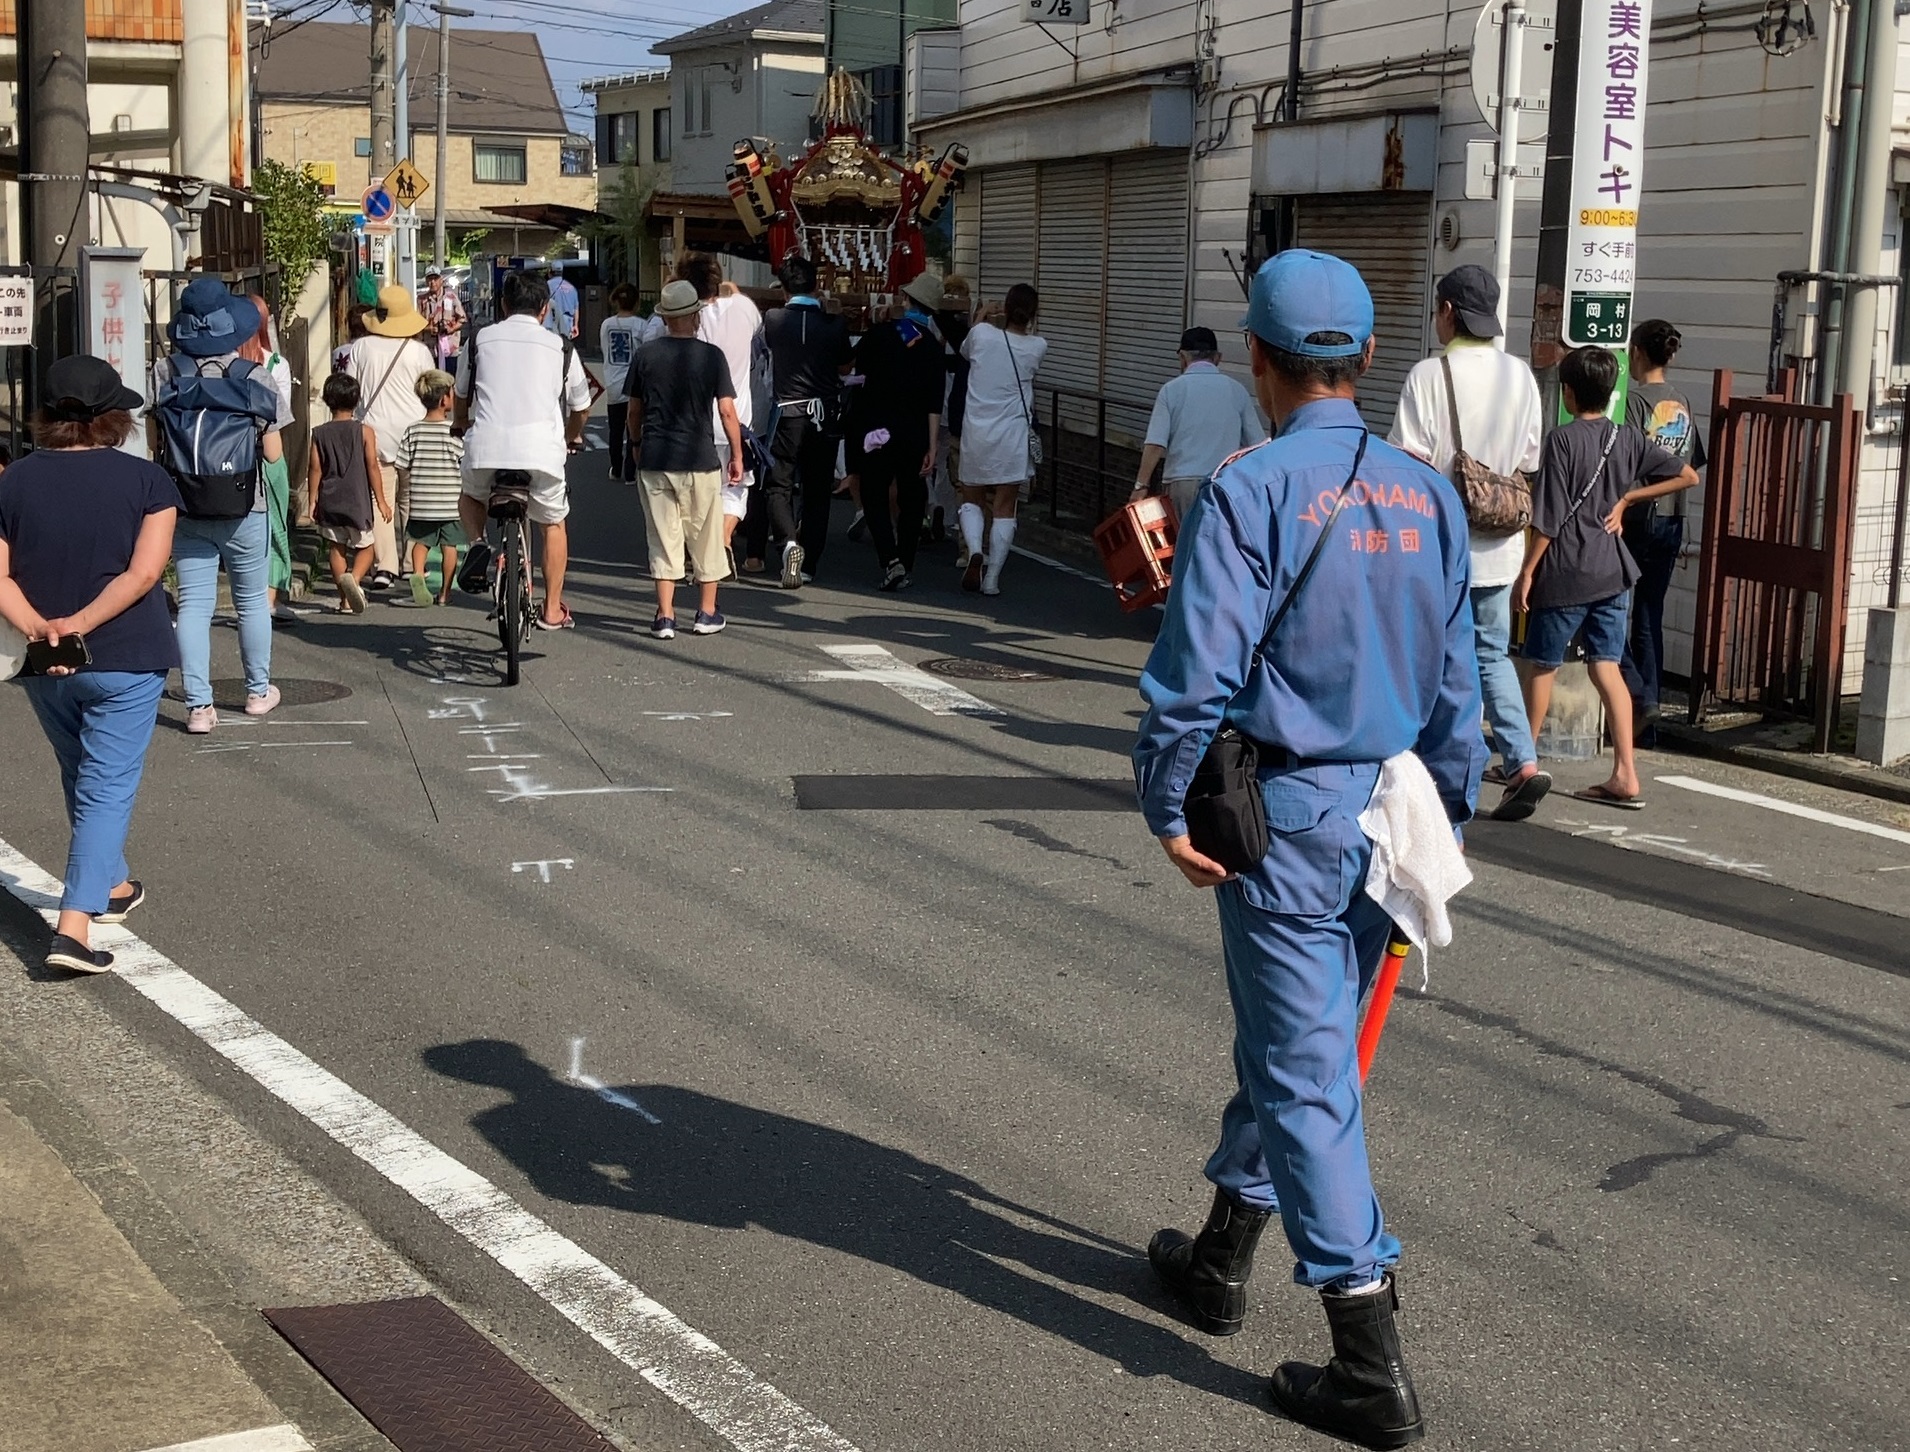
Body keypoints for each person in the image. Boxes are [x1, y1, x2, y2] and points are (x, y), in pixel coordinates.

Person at [1135, 250, 1485, 1452]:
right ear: (1365, 358)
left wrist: (1165, 806)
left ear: (1257, 360)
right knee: (1304, 1046)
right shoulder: (1423, 492)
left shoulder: (1251, 488)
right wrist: (1448, 810)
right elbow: (1456, 684)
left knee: (1303, 1076)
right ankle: (1222, 1254)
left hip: (1282, 819)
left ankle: (1366, 1359)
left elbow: (1195, 680)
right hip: (1390, 817)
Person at [0, 355, 180, 974]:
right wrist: (79, 623)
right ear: (114, 418)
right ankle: (73, 930)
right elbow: (146, 572)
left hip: (41, 660)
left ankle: (112, 885)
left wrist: (41, 629)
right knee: (105, 787)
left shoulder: (12, 481)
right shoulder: (147, 481)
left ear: (45, 415)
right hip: (127, 653)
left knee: (80, 773)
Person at [1389, 264, 1551, 822]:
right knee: (1490, 654)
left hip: (1437, 543)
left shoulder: (1429, 376)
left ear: (1449, 312)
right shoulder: (1522, 376)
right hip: (1502, 543)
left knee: (1427, 656)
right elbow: (1529, 460)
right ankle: (1523, 762)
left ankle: (1434, 766)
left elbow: (1407, 462)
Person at [1515, 345, 1698, 811]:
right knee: (1607, 666)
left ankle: (1522, 764)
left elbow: (1550, 519)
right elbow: (1687, 476)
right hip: (1614, 570)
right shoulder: (1626, 438)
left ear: (1570, 394)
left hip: (1568, 569)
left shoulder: (1561, 440)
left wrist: (1528, 571)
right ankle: (1625, 773)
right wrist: (1628, 500)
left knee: (1541, 664)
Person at [154, 275, 284, 733]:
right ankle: (257, 691)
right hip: (246, 505)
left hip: (185, 503)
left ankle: (198, 708)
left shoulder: (166, 373)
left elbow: (157, 440)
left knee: (193, 605)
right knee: (250, 601)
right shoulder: (255, 378)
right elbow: (273, 453)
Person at [454, 268, 592, 631]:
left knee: (470, 497)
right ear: (544, 309)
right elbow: (581, 406)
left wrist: (460, 424)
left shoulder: (480, 340)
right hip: (542, 453)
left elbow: (461, 395)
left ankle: (478, 543)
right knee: (553, 523)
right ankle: (550, 609)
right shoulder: (561, 347)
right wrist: (570, 437)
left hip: (486, 447)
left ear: (503, 304)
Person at [624, 279, 746, 638]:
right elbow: (726, 411)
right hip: (700, 457)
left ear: (664, 318)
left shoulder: (646, 355)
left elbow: (634, 409)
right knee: (706, 536)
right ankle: (706, 612)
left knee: (662, 536)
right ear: (694, 316)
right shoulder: (711, 356)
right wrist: (737, 455)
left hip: (656, 456)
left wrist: (635, 441)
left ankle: (665, 616)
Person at [1621, 318, 1706, 743]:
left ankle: (1636, 698)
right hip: (1673, 517)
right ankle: (1647, 717)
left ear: (1636, 351)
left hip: (1636, 516)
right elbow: (1694, 459)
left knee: (1613, 610)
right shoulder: (1682, 401)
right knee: (1650, 614)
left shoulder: (1634, 404)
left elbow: (1628, 465)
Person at [755, 256, 852, 587]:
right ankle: (808, 562)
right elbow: (844, 368)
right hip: (825, 414)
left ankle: (787, 544)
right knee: (818, 491)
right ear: (816, 285)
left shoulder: (774, 319)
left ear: (783, 289)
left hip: (788, 412)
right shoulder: (835, 323)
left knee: (779, 484)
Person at [855, 272, 948, 591]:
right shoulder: (934, 348)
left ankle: (890, 559)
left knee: (873, 491)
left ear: (906, 300)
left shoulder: (880, 334)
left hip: (877, 427)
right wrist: (932, 446)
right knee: (913, 495)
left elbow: (859, 371)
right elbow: (935, 401)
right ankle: (905, 562)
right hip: (915, 430)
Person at [956, 282, 1045, 596]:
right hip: (1012, 435)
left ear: (1004, 308)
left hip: (977, 432)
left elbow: (965, 350)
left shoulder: (982, 335)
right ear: (1033, 315)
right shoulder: (1038, 346)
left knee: (972, 498)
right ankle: (992, 577)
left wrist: (982, 313)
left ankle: (974, 549)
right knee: (1005, 507)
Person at [346, 284, 435, 590]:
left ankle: (385, 566)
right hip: (414, 435)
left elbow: (353, 390)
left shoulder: (361, 348)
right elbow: (431, 393)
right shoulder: (420, 352)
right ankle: (413, 564)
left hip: (375, 434)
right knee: (412, 500)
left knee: (379, 500)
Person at [680, 255, 764, 573]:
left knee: (700, 491)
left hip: (696, 421)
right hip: (738, 417)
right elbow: (756, 329)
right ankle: (724, 539)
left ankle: (710, 547)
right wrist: (732, 290)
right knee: (737, 486)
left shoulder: (687, 318)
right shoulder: (744, 308)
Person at [1131, 326, 1265, 522]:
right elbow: (1257, 444)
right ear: (1218, 357)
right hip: (1223, 485)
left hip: (1181, 484)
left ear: (1183, 357)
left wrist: (1141, 486)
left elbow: (1155, 444)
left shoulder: (1171, 391)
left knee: (1183, 546)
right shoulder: (1237, 391)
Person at [234, 295, 300, 624]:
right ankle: (270, 599)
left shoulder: (224, 363)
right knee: (274, 527)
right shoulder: (276, 365)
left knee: (238, 529)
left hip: (229, 456)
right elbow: (279, 416)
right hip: (268, 455)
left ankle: (246, 596)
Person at [309, 372, 388, 614]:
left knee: (336, 547)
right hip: (357, 500)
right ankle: (353, 579)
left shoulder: (319, 432)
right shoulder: (365, 432)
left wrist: (312, 499)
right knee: (367, 548)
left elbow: (315, 468)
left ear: (327, 399)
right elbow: (372, 466)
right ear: (356, 400)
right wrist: (382, 501)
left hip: (330, 498)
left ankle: (344, 600)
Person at [395, 370, 466, 606]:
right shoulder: (454, 432)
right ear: (445, 399)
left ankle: (418, 576)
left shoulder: (413, 430)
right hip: (449, 503)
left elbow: (402, 465)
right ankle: (445, 593)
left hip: (422, 502)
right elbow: (463, 462)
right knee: (450, 547)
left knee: (420, 543)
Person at [929, 273, 974, 544]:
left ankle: (932, 506)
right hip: (961, 401)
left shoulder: (935, 322)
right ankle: (948, 515)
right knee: (955, 463)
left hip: (936, 397)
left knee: (932, 458)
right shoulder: (968, 327)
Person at [600, 284, 646, 484]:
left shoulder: (606, 324)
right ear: (636, 302)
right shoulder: (641, 325)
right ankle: (630, 472)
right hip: (634, 384)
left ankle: (616, 468)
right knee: (634, 428)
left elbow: (604, 350)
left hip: (613, 382)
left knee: (616, 430)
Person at [420, 267, 467, 365]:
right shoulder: (421, 300)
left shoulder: (451, 297)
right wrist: (428, 328)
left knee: (449, 378)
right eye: (430, 279)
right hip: (430, 351)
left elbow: (462, 319)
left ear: (441, 279)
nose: (433, 282)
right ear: (426, 281)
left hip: (449, 349)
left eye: (435, 279)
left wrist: (451, 328)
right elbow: (415, 325)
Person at [545, 269, 581, 341]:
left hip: (553, 321)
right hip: (568, 322)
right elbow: (576, 308)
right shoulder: (572, 288)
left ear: (550, 273)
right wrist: (575, 325)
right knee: (566, 346)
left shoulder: (547, 285)